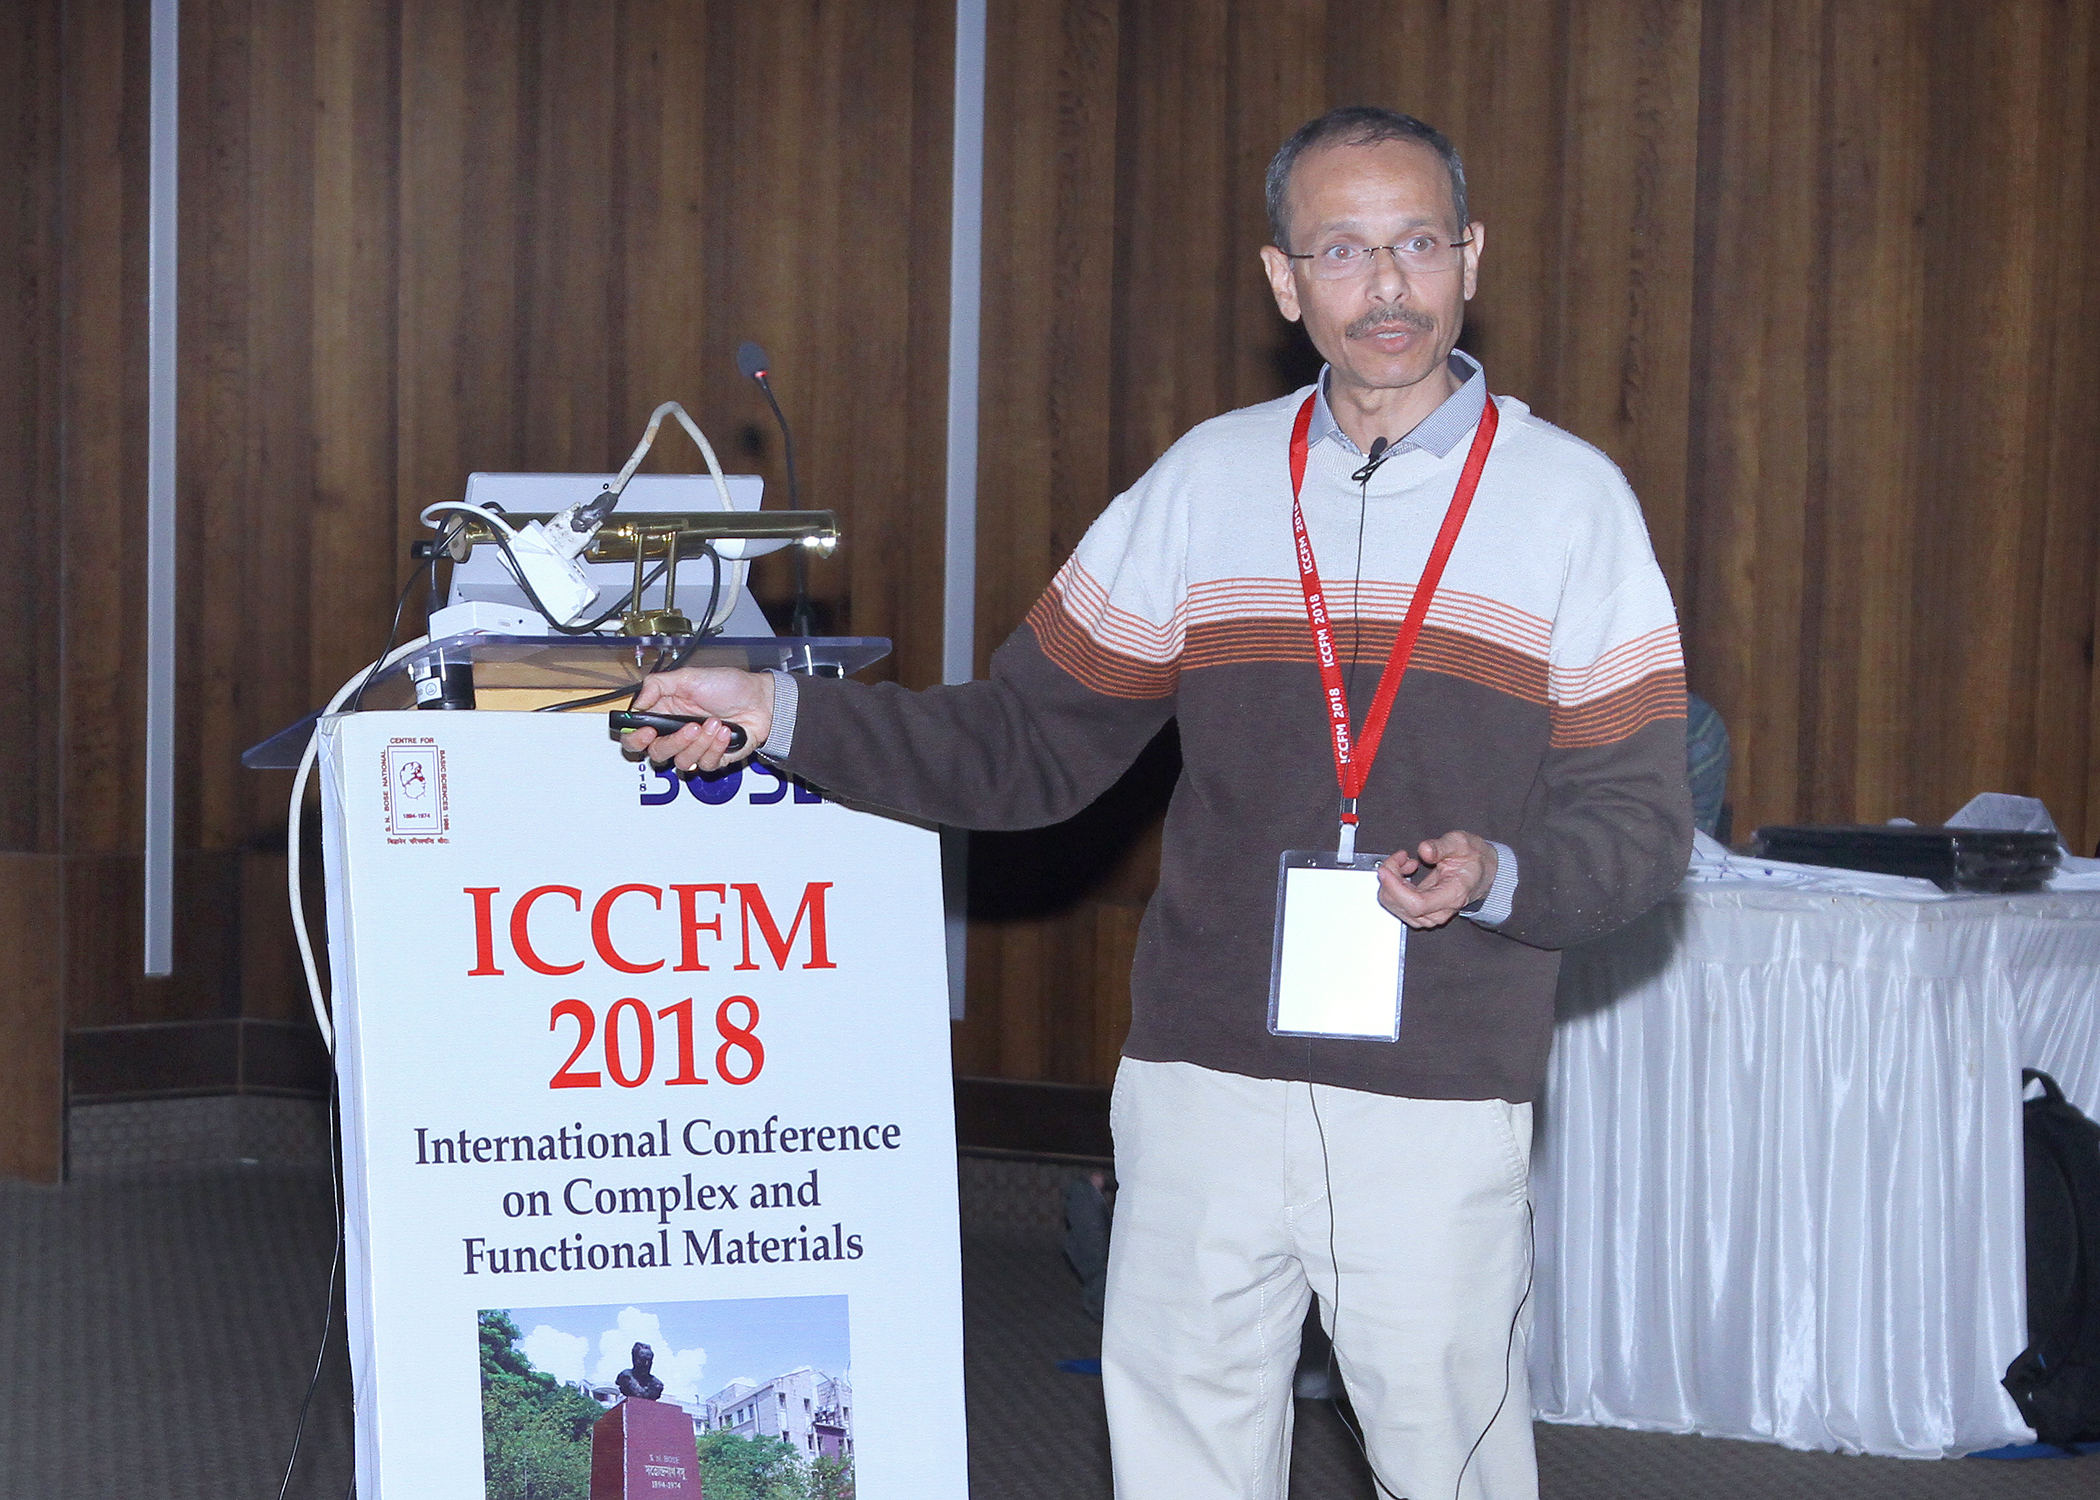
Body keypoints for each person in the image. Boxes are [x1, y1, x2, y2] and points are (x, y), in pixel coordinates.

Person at [624, 106, 1690, 1500]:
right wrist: (780, 710)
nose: (1386, 286)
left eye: (1419, 244)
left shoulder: (1570, 504)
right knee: (1180, 1465)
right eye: (1343, 250)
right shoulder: (1207, 481)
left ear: (1471, 258)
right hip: (1200, 1084)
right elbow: (1023, 742)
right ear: (1284, 281)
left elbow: (1639, 827)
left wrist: (1496, 873)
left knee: (1454, 1472)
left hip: (1434, 1092)